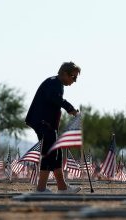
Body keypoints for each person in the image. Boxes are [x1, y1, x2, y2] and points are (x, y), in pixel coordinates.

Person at [25, 61, 81, 193]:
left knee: (56, 154)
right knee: (49, 153)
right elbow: (54, 98)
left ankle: (62, 188)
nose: (74, 81)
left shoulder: (55, 83)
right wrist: (70, 109)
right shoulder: (54, 83)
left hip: (48, 125)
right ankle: (41, 189)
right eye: (73, 77)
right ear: (64, 74)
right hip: (44, 124)